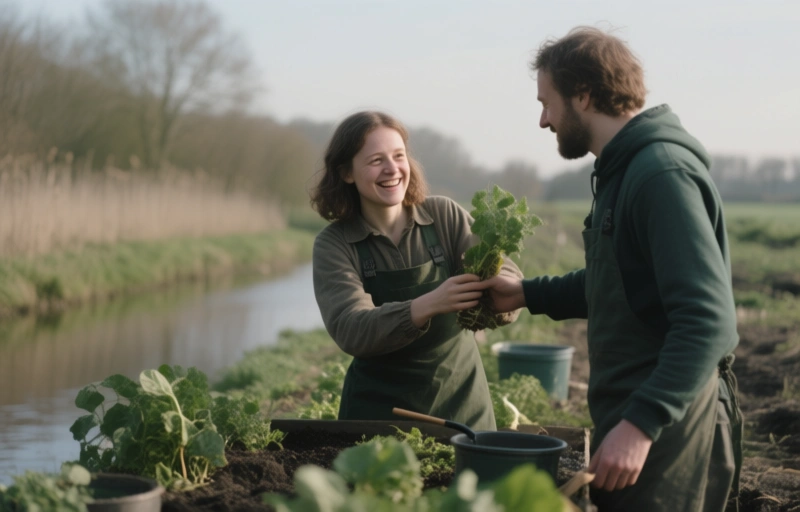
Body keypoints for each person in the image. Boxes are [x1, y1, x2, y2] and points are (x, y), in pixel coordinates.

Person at [484, 27, 742, 511]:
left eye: (547, 102)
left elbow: (709, 322)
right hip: (640, 421)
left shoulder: (661, 175)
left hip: (673, 429)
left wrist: (640, 425)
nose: (543, 120)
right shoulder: (620, 172)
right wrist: (524, 294)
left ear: (583, 95)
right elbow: (620, 283)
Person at [309, 110, 520, 431]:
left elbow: (507, 272)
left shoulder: (443, 215)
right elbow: (350, 327)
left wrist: (501, 289)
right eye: (376, 160)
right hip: (377, 416)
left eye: (398, 156)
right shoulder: (334, 244)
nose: (392, 168)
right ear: (347, 173)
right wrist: (428, 304)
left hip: (462, 406)